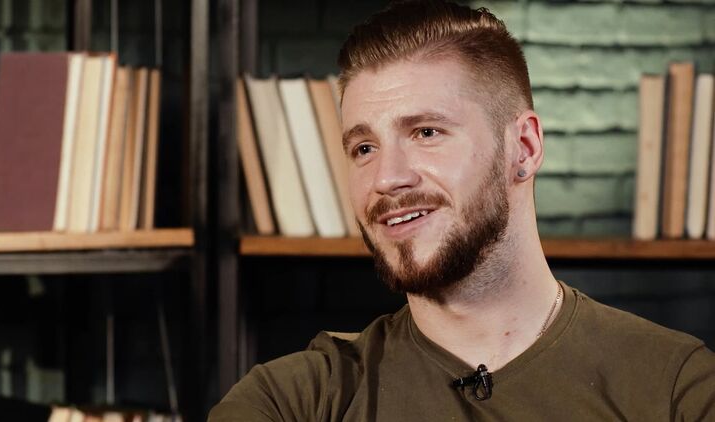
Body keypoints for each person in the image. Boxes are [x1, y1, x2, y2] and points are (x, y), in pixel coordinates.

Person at [210, 1, 715, 420]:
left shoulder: (676, 388)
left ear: (523, 147)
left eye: (426, 132)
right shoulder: (293, 401)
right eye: (364, 148)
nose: (386, 178)